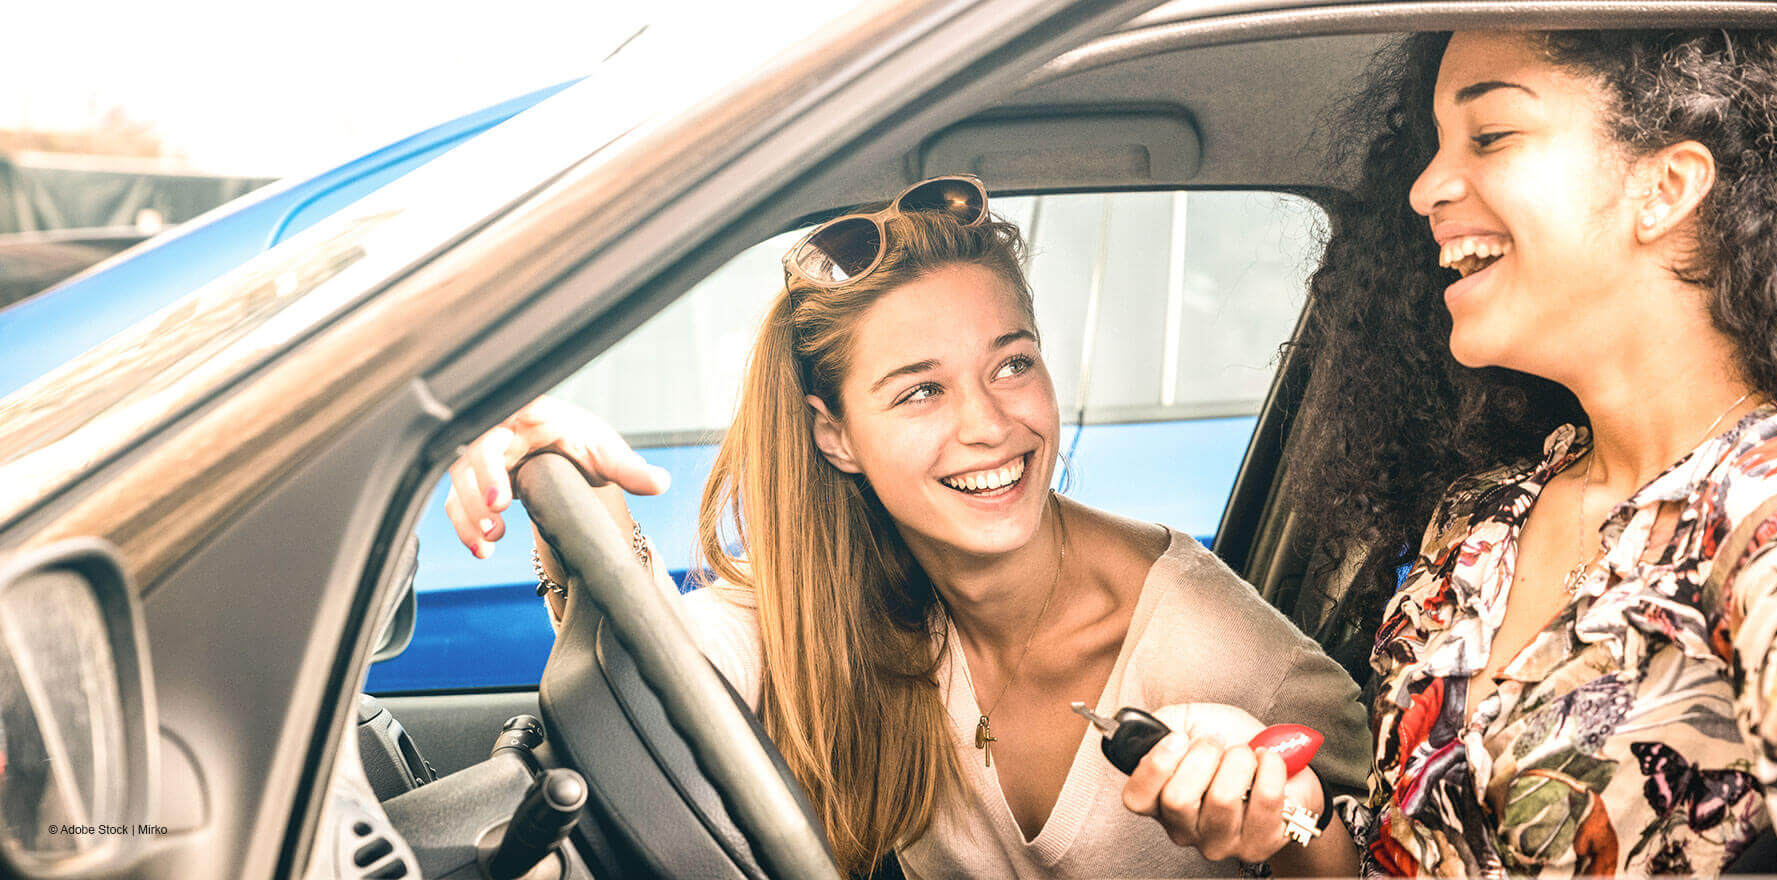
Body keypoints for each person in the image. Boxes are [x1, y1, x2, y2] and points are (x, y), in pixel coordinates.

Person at [1123, 29, 1777, 879]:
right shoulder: (1476, 525)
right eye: (1439, 145)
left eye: (1490, 133)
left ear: (1667, 186)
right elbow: (1414, 851)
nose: (1429, 186)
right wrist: (1287, 814)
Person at [439, 175, 1369, 879]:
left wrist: (1292, 826)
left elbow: (1368, 854)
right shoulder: (853, 600)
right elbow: (664, 682)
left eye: (1012, 364)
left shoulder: (1232, 657)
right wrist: (570, 491)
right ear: (835, 433)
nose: (989, 424)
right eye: (921, 389)